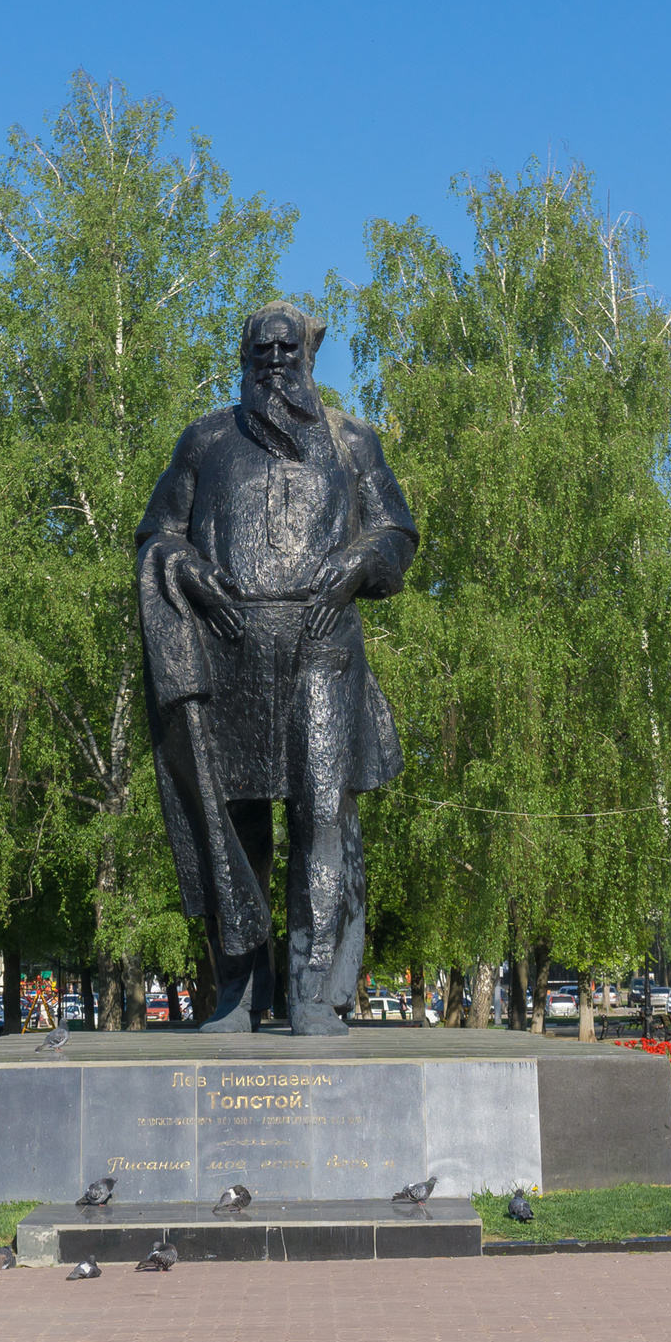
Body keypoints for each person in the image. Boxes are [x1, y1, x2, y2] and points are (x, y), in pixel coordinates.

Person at [135, 302, 418, 1035]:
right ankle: (238, 991)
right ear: (243, 357)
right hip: (228, 652)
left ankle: (312, 991)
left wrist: (359, 561)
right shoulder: (204, 440)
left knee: (321, 815)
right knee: (238, 826)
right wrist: (190, 572)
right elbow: (156, 535)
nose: (273, 364)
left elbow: (397, 533)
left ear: (308, 357)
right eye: (259, 352)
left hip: (321, 652)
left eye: (286, 352)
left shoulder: (353, 441)